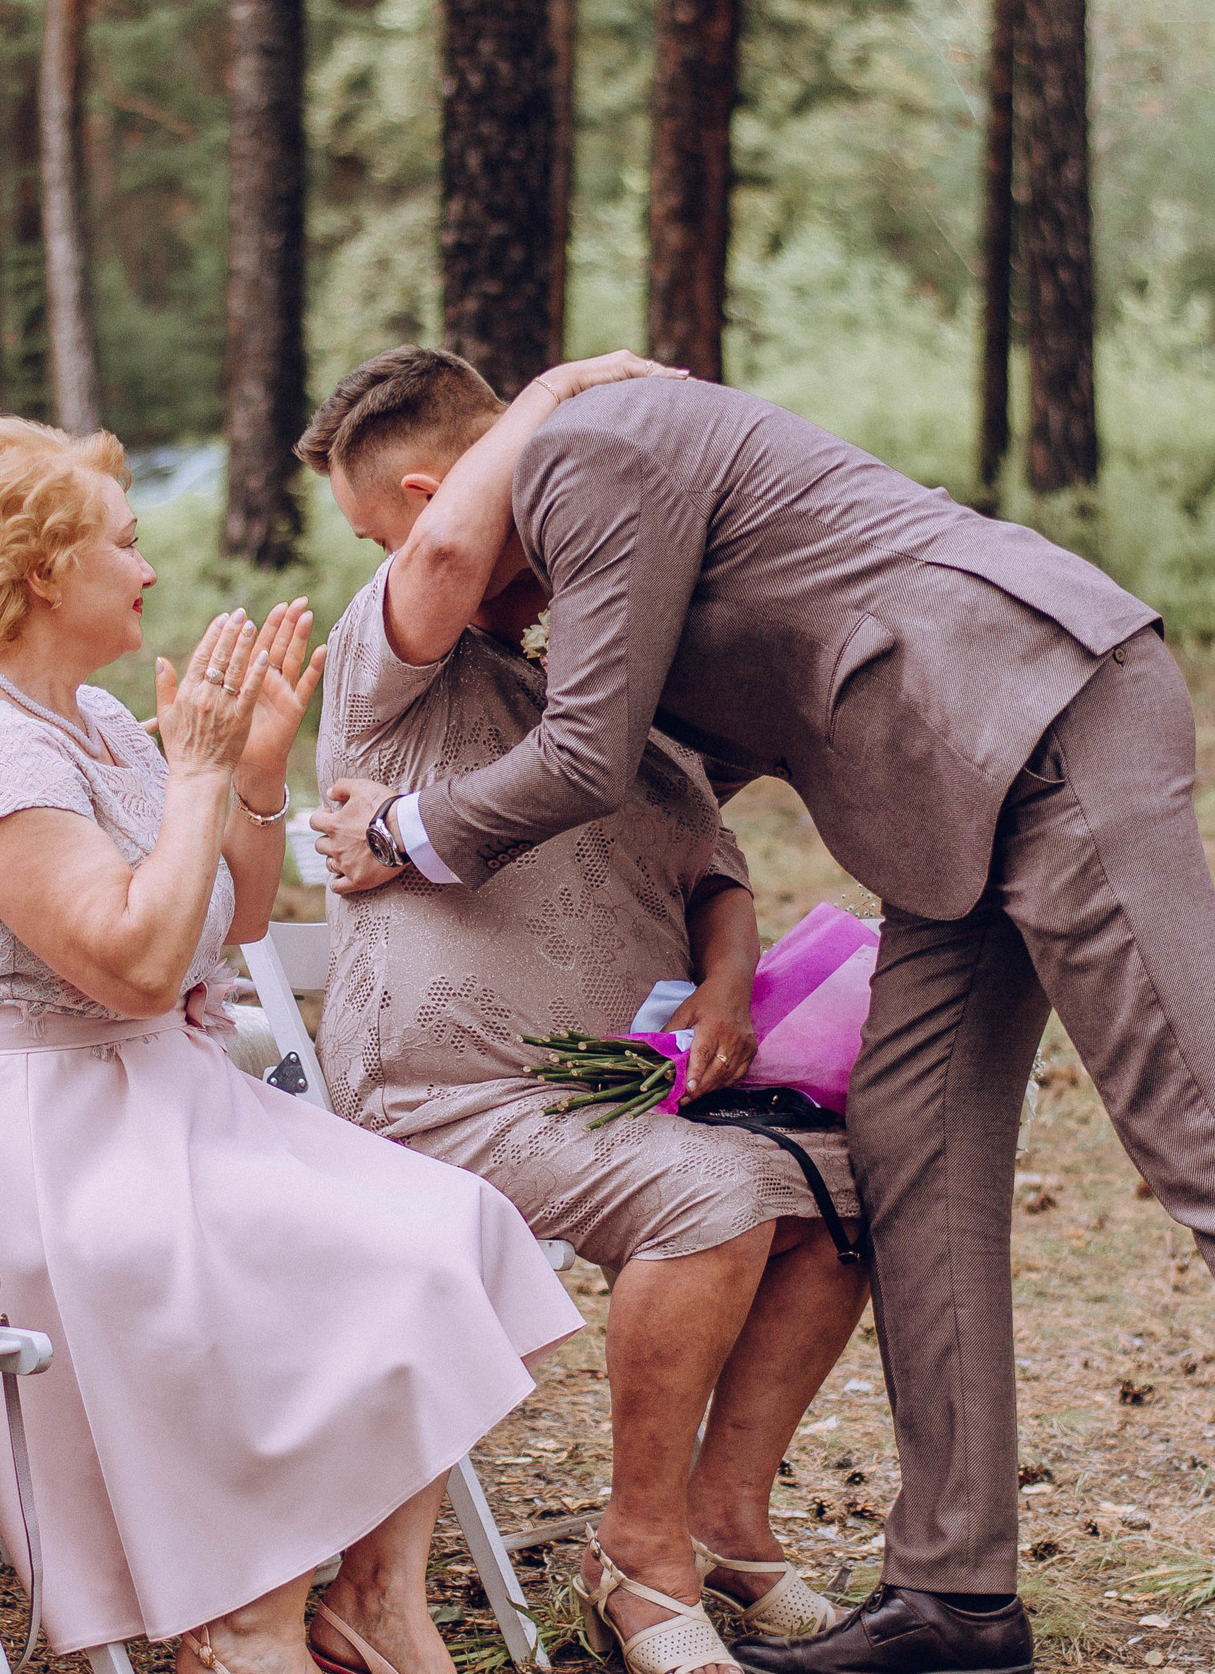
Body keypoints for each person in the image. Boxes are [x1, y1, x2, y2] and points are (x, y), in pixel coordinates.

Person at [309, 359, 1215, 1674]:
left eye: (385, 543)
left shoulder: (585, 449)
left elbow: (590, 753)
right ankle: (954, 1594)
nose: (408, 579)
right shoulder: (584, 529)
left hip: (1043, 719)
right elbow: (672, 762)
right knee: (910, 1145)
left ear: (435, 497)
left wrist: (406, 826)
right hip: (942, 786)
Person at [0, 415, 584, 1673]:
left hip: (161, 1094)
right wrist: (198, 777)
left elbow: (234, 919)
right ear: (43, 571)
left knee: (450, 1229)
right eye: (123, 543)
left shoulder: (100, 721)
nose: (148, 568)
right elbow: (137, 963)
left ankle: (372, 1596)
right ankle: (248, 1615)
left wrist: (252, 777)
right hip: (48, 1137)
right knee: (334, 1265)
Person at [305, 348, 871, 1674]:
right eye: (387, 543)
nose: (388, 558)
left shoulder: (603, 659)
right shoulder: (388, 661)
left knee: (848, 1185)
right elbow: (450, 556)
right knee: (708, 1195)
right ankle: (638, 1550)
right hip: (451, 1097)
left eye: (376, 531)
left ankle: (726, 1521)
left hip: (610, 1095)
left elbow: (710, 863)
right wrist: (557, 393)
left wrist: (724, 983)